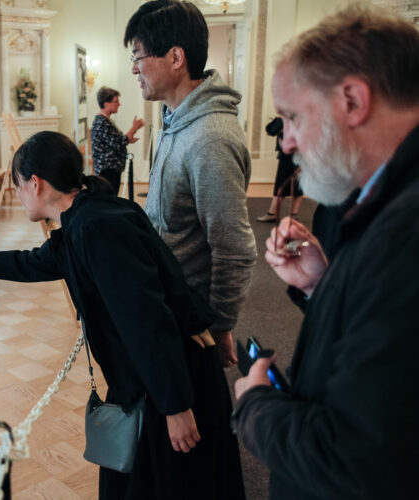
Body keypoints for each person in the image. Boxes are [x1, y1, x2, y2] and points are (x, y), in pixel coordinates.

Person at [0, 131, 246, 499]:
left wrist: (176, 406)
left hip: (171, 378)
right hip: (155, 377)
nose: (18, 195)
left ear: (36, 183)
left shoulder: (97, 227)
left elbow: (147, 321)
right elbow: (32, 263)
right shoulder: (89, 216)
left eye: (18, 186)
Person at [233, 6, 419, 499]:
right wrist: (323, 285)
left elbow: (354, 457)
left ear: (353, 100)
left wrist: (255, 405)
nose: (287, 140)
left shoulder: (407, 229)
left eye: (292, 116)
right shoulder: (386, 199)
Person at [124, 0, 256, 368]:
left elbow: (234, 248)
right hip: (166, 308)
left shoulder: (210, 138)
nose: (134, 68)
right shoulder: (172, 117)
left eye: (138, 56)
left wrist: (220, 324)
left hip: (191, 324)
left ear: (176, 57)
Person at [91, 86, 145, 194]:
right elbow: (120, 142)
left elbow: (118, 141)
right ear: (106, 104)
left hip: (110, 169)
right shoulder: (102, 122)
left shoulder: (105, 120)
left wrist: (128, 138)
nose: (119, 104)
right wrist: (134, 128)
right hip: (107, 170)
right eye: (116, 102)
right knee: (109, 201)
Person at [256, 117, 304, 222]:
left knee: (297, 185)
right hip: (288, 156)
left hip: (299, 155)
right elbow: (270, 130)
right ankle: (276, 213)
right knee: (283, 184)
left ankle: (289, 214)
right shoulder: (285, 118)